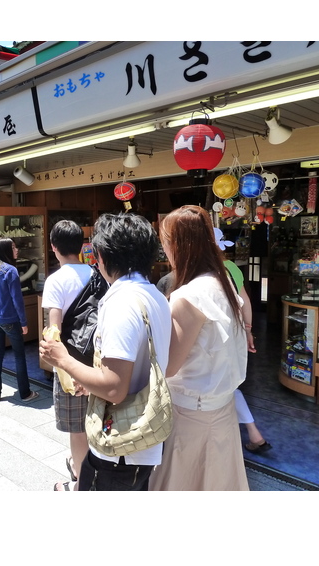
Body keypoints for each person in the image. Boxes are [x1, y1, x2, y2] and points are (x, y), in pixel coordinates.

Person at [40, 213, 171, 491]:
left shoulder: (121, 302)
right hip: (143, 437)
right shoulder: (154, 295)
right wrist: (90, 381)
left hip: (119, 445)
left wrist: (63, 359)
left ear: (101, 255)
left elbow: (113, 388)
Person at [148, 205, 249, 491]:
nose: (164, 249)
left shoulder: (188, 295)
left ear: (179, 246)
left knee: (180, 482)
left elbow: (169, 365)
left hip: (193, 413)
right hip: (222, 408)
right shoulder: (222, 280)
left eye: (165, 242)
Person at [157, 227, 271, 455]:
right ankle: (254, 432)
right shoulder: (226, 277)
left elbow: (170, 366)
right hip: (220, 401)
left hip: (193, 406)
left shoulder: (184, 291)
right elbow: (244, 302)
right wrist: (247, 330)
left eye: (165, 243)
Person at [41, 220, 93, 491]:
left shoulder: (55, 280)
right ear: (81, 245)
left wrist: (53, 361)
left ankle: (80, 483)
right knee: (98, 420)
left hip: (71, 364)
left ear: (53, 247)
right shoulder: (98, 274)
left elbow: (54, 329)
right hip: (99, 364)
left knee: (78, 428)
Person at [0, 238, 38, 403]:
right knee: (19, 355)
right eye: (13, 247)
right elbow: (17, 300)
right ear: (6, 250)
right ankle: (25, 393)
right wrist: (23, 322)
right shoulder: (11, 270)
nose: (17, 250)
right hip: (9, 318)